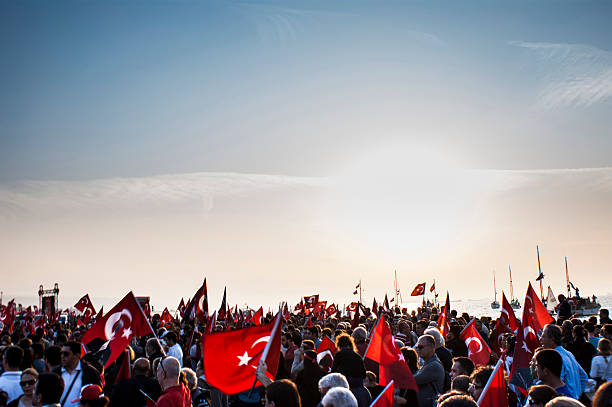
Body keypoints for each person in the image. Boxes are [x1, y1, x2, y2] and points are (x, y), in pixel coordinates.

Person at [540, 324, 588, 399]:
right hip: (574, 399)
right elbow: (583, 377)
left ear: (552, 339)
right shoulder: (568, 354)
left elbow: (557, 382)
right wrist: (577, 394)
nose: (540, 339)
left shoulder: (555, 358)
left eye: (543, 336)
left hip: (563, 400)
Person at [54, 341, 102, 407]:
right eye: (61, 353)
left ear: (77, 355)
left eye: (66, 354)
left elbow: (99, 397)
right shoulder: (55, 373)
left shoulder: (91, 373)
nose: (62, 356)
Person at [330, 334, 370, 407]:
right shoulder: (357, 356)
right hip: (361, 391)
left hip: (346, 391)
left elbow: (333, 373)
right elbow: (364, 374)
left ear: (339, 345)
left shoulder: (339, 355)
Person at [413, 335, 445, 407]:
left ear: (431, 347)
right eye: (417, 347)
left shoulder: (434, 365)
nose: (418, 350)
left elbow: (413, 380)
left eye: (421, 347)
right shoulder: (427, 363)